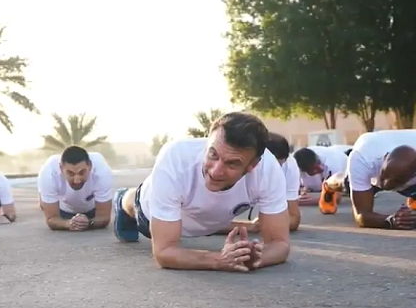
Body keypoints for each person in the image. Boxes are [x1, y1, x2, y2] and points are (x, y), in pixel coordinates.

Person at [112, 112, 290, 272]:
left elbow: (280, 244)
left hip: (209, 220)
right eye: (213, 154)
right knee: (134, 201)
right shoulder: (175, 158)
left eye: (232, 163)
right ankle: (121, 198)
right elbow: (164, 253)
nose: (216, 171)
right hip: (150, 214)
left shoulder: (268, 170)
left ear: (253, 165)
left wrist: (257, 259)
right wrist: (219, 260)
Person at [346, 130, 416, 230]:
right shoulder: (362, 159)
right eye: (384, 175)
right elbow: (361, 215)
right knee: (345, 185)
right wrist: (390, 221)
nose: (386, 184)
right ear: (385, 159)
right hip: (372, 175)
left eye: (397, 181)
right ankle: (328, 186)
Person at [37, 145, 113, 231]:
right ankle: (43, 199)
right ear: (61, 168)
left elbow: (104, 217)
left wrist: (89, 223)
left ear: (90, 166)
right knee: (44, 205)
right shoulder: (48, 173)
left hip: (91, 210)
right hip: (63, 210)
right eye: (70, 173)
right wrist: (68, 224)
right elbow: (51, 219)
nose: (77, 180)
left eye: (82, 173)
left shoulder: (102, 171)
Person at [293, 145, 349, 214]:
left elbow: (337, 197)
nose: (320, 168)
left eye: (318, 163)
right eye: (314, 169)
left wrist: (310, 201)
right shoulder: (294, 166)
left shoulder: (334, 164)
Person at [263, 133, 301, 231]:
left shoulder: (289, 166)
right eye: (272, 165)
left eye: (279, 165)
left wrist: (262, 225)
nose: (276, 170)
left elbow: (294, 219)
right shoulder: (236, 166)